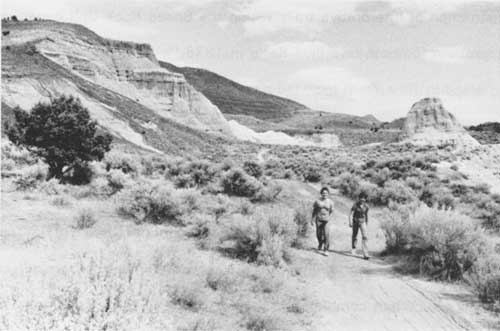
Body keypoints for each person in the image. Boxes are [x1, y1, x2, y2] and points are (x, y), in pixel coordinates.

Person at [311, 187, 334, 256]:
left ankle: (326, 249)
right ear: (321, 194)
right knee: (318, 234)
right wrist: (312, 219)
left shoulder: (330, 202)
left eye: (326, 193)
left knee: (326, 234)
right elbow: (314, 210)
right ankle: (320, 243)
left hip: (326, 220)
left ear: (328, 194)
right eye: (323, 193)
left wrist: (330, 218)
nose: (325, 194)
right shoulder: (317, 201)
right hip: (318, 219)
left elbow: (332, 211)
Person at [349, 192, 370, 259]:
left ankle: (365, 253)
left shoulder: (366, 206)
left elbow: (366, 215)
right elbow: (351, 213)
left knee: (365, 236)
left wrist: (366, 223)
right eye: (361, 198)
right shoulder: (355, 205)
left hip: (362, 222)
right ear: (359, 198)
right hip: (355, 221)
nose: (362, 199)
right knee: (355, 235)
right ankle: (354, 248)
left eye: (364, 198)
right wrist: (350, 221)